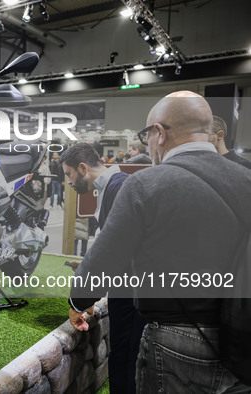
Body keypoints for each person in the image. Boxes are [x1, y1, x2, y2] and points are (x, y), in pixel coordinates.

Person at [68, 91, 251, 393]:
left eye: (146, 135)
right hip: (242, 340)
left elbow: (104, 261)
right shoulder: (245, 179)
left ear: (160, 133)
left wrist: (78, 302)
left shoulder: (145, 184)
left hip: (176, 341)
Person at [60, 142, 146, 394]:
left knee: (127, 362)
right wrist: (87, 264)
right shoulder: (113, 186)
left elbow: (114, 255)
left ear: (83, 167)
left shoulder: (118, 189)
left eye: (69, 174)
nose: (69, 182)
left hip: (133, 297)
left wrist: (78, 303)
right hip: (130, 293)